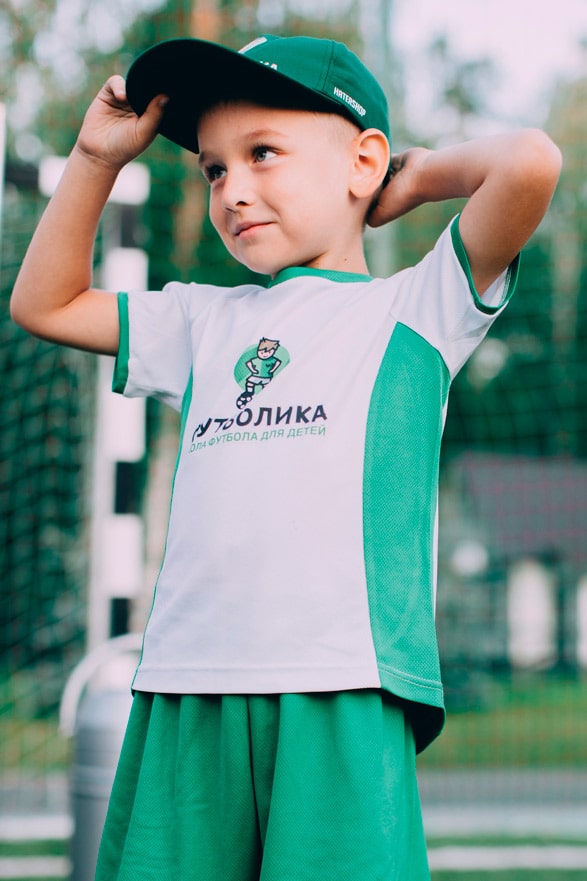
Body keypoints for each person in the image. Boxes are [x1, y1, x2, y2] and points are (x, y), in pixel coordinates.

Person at [11, 33, 561, 881]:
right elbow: (45, 303)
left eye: (262, 153)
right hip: (186, 688)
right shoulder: (200, 321)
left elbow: (529, 163)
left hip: (339, 687)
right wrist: (93, 161)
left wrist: (409, 179)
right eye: (214, 169)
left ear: (362, 160)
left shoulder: (415, 310)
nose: (233, 189)